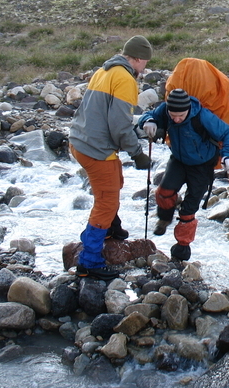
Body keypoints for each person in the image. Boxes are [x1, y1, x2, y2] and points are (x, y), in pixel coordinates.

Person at [69, 35, 153, 281]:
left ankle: (110, 229)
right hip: (96, 148)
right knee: (106, 201)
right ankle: (89, 262)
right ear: (138, 58)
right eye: (145, 62)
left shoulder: (103, 71)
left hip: (79, 141)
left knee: (114, 182)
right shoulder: (125, 79)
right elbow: (119, 125)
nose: (145, 67)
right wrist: (137, 153)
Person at [138, 88, 229, 261]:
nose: (176, 119)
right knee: (164, 192)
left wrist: (228, 156)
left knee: (188, 211)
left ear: (188, 110)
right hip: (178, 160)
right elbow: (147, 115)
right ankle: (164, 219)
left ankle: (182, 248)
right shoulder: (165, 110)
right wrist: (148, 121)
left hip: (202, 166)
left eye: (181, 116)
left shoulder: (202, 116)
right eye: (173, 116)